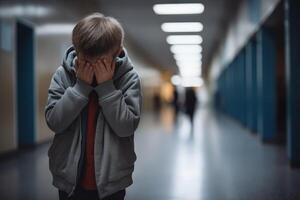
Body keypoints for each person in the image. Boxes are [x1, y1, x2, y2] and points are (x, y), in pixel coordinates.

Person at [45, 13, 142, 200]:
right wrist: (80, 87)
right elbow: (54, 122)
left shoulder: (129, 78)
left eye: (101, 63)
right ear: (76, 50)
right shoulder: (63, 74)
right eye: (87, 62)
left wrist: (107, 87)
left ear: (117, 52)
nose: (93, 68)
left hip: (112, 181)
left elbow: (126, 128)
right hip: (68, 178)